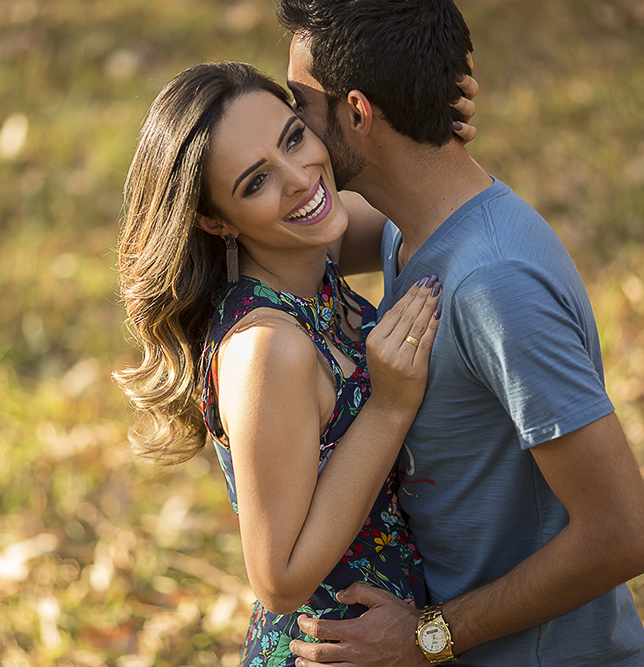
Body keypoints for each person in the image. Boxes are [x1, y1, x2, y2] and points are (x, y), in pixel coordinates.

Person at [275, 1, 644, 666]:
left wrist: (428, 633)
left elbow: (625, 533)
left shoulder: (493, 285)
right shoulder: (408, 223)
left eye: (298, 106)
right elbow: (280, 241)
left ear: (359, 113)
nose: (292, 127)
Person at [115, 61, 477, 666]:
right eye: (255, 182)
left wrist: (440, 132)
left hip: (390, 639)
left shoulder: (310, 250)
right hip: (331, 652)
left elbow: (427, 208)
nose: (298, 179)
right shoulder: (268, 350)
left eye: (293, 138)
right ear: (214, 220)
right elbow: (277, 579)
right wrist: (388, 407)